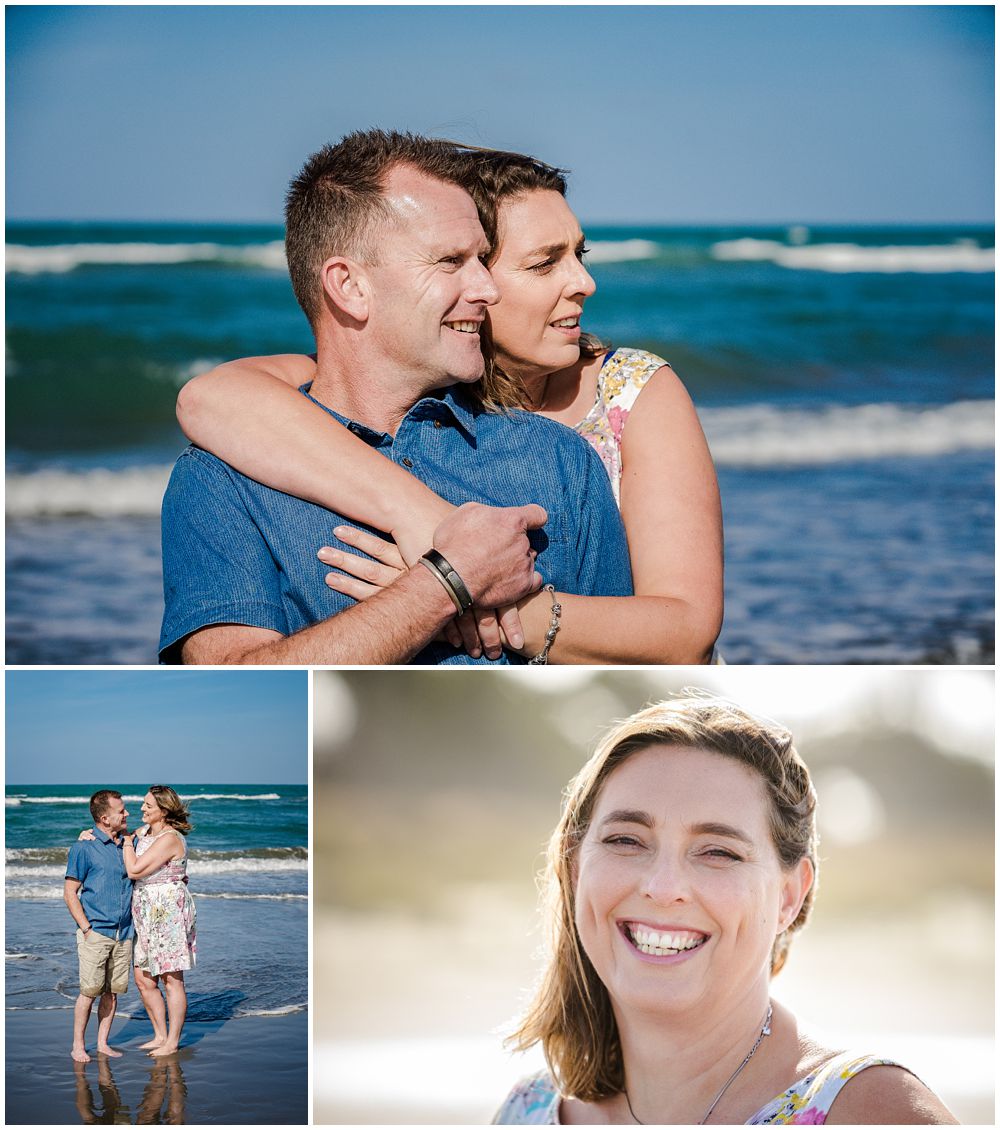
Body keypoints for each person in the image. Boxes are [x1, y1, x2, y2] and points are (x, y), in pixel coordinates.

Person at [177, 143, 723, 664]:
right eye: (540, 264)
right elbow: (213, 398)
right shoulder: (265, 439)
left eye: (578, 254)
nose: (585, 282)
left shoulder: (596, 421)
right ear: (350, 286)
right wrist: (440, 569)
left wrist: (477, 597)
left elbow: (680, 639)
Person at [492, 696, 957, 1125]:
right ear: (575, 871)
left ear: (790, 895)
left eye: (718, 852)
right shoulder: (526, 1111)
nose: (663, 887)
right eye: (626, 840)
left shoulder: (871, 1111)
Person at [123, 786, 197, 1057]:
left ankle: (173, 1041)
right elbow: (115, 837)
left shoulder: (170, 838)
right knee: (143, 977)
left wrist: (127, 843)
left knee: (171, 978)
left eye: (148, 806)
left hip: (167, 911)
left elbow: (134, 869)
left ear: (163, 811)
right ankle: (159, 1035)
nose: (142, 809)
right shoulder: (142, 833)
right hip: (143, 910)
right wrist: (87, 835)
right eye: (143, 804)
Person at [64, 790, 134, 1062]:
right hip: (96, 932)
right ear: (105, 818)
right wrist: (85, 928)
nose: (126, 814)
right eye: (121, 811)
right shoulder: (84, 847)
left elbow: (157, 829)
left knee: (112, 992)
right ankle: (78, 1046)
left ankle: (103, 1043)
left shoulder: (129, 842)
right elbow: (70, 892)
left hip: (125, 933)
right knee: (88, 992)